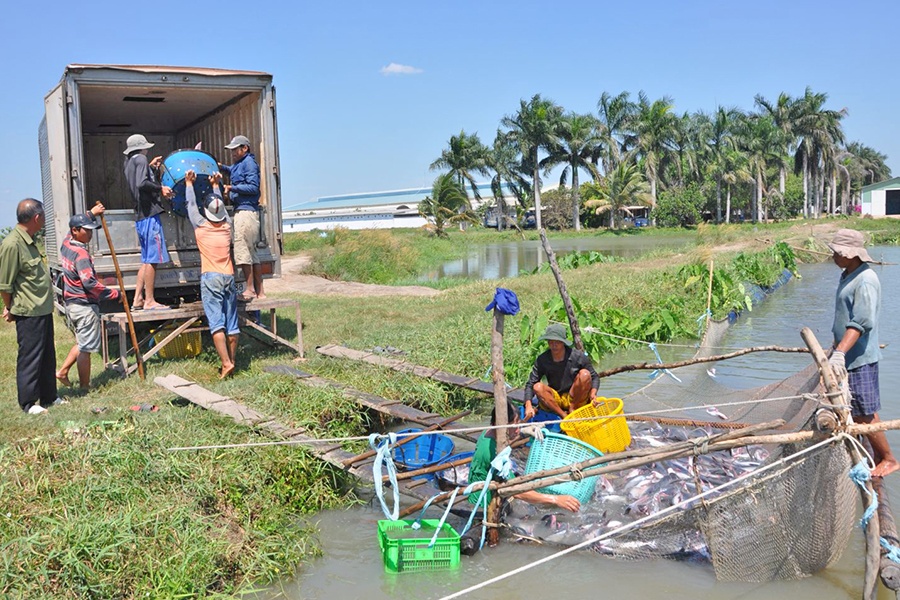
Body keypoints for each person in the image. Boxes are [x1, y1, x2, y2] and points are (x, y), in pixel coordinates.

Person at [828, 228, 899, 477]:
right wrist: (836, 349)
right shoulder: (848, 274)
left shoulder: (866, 280)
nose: (833, 256)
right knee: (863, 409)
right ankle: (875, 455)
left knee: (864, 413)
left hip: (859, 358)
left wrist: (840, 353)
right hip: (847, 355)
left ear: (850, 254)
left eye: (837, 252)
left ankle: (889, 459)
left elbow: (861, 322)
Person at [0, 199, 64, 414]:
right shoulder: (12, 244)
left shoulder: (29, 240)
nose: (45, 220)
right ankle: (28, 403)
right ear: (37, 218)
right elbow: (5, 284)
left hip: (42, 308)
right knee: (30, 357)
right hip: (28, 310)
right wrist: (10, 308)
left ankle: (49, 396)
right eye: (44, 216)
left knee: (47, 355)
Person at [56, 205, 121, 389]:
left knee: (82, 341)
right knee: (86, 348)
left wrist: (91, 213)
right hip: (84, 305)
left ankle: (62, 372)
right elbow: (90, 284)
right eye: (87, 231)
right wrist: (114, 294)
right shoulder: (82, 254)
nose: (90, 235)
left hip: (71, 303)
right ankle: (85, 386)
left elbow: (72, 229)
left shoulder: (66, 245)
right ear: (75, 231)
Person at [184, 169, 239, 378]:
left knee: (217, 324)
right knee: (232, 324)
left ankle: (225, 363)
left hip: (211, 277)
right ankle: (233, 361)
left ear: (206, 211)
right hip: (229, 277)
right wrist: (216, 184)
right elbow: (220, 208)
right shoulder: (227, 226)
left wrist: (189, 184)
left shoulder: (200, 226)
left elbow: (190, 206)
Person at [123, 133, 174, 310]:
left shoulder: (129, 163)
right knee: (153, 259)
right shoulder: (141, 160)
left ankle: (138, 298)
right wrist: (161, 188)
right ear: (142, 147)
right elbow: (141, 184)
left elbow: (139, 181)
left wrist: (151, 169)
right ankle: (150, 300)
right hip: (150, 214)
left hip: (140, 216)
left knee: (146, 259)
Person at [218, 135, 264, 301]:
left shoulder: (249, 163)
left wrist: (231, 187)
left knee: (243, 250)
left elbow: (253, 187)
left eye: (235, 149)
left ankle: (250, 290)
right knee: (252, 253)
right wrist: (221, 167)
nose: (233, 153)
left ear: (245, 148)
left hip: (245, 212)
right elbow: (233, 170)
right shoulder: (240, 164)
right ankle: (260, 292)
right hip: (246, 212)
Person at [523, 323, 600, 420]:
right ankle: (563, 415)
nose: (554, 345)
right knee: (537, 387)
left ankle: (572, 409)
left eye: (557, 342)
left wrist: (593, 394)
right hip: (556, 398)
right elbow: (531, 383)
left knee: (585, 374)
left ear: (563, 342)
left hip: (575, 397)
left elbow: (594, 377)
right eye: (551, 342)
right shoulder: (542, 359)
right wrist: (528, 405)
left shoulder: (578, 356)